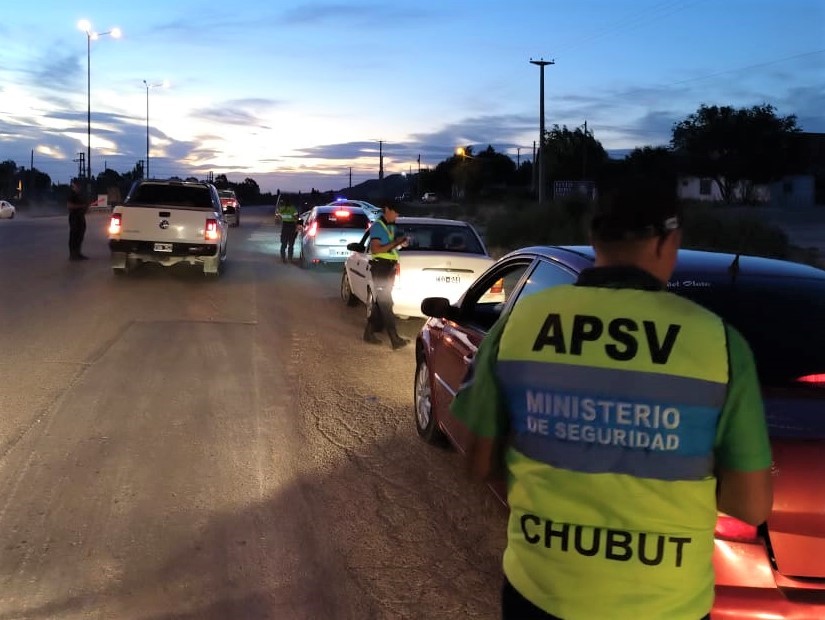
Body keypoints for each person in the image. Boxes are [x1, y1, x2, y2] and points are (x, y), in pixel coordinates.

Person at [450, 181, 773, 620]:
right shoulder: (721, 342)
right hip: (667, 605)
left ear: (594, 236)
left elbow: (477, 463)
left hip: (543, 592)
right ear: (667, 240)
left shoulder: (522, 322)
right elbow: (751, 505)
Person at [363, 201, 410, 350]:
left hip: (388, 268)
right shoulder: (377, 226)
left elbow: (390, 248)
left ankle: (369, 333)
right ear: (387, 209)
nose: (397, 215)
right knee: (386, 303)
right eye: (395, 212)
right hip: (380, 268)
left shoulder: (391, 226)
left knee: (381, 303)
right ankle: (394, 338)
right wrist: (396, 242)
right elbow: (376, 249)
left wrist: (400, 244)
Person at [67, 178, 90, 260]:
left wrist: (85, 208)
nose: (79, 187)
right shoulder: (72, 194)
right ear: (74, 185)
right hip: (74, 217)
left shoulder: (80, 195)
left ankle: (78, 253)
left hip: (80, 217)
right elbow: (69, 206)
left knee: (80, 235)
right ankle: (73, 255)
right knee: (74, 236)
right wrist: (81, 206)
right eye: (77, 185)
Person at [275, 198, 299, 263]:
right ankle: (290, 259)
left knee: (283, 244)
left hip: (285, 227)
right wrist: (298, 224)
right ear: (290, 203)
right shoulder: (293, 208)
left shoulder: (281, 209)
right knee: (291, 245)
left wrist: (282, 219)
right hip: (292, 227)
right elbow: (296, 218)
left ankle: (283, 258)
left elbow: (278, 218)